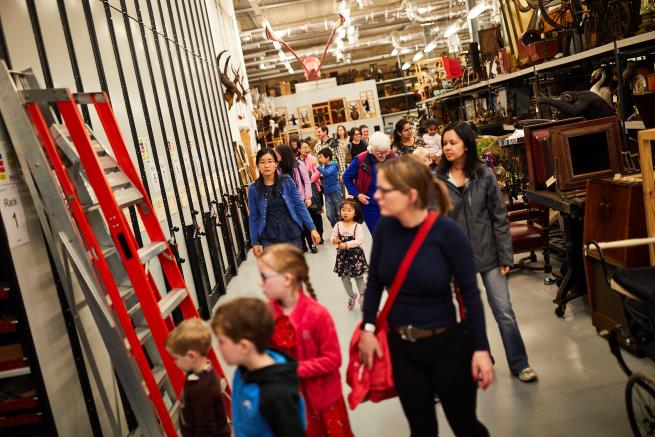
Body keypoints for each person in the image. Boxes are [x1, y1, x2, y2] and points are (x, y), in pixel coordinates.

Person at [357, 155, 493, 437]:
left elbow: (470, 294)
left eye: (383, 189)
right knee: (421, 429)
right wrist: (367, 328)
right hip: (402, 348)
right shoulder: (384, 230)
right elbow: (374, 284)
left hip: (447, 346)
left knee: (465, 425)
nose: (376, 195)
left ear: (410, 195)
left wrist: (481, 349)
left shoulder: (447, 234)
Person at [436, 121, 537, 383]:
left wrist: (506, 256)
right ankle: (484, 358)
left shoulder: (484, 175)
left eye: (453, 142)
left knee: (503, 310)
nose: (447, 147)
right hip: (457, 261)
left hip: (489, 254)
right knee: (469, 314)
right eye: (444, 143)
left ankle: (519, 362)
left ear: (467, 145)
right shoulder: (437, 181)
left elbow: (499, 218)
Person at [259, 244, 354, 437]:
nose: (260, 284)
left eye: (264, 277)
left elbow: (333, 359)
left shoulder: (317, 315)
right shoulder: (266, 316)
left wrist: (294, 370)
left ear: (286, 279)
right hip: (289, 402)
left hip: (323, 402)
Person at [211, 298, 305, 437]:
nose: (218, 348)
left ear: (244, 347)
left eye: (222, 342)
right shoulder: (242, 371)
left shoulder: (277, 395)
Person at [248, 148, 320, 257]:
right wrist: (254, 242)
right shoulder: (254, 189)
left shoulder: (287, 181)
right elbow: (253, 217)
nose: (266, 165)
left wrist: (312, 228)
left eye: (270, 161)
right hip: (269, 238)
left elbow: (300, 206)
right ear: (257, 165)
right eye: (262, 162)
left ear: (276, 164)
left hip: (292, 234)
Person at [165, 318, 230, 437]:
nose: (174, 362)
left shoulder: (202, 389)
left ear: (191, 356)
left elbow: (206, 429)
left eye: (176, 358)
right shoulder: (199, 374)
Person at [342, 131, 395, 232]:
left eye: (386, 152)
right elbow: (346, 177)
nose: (384, 156)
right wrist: (357, 194)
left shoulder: (392, 155)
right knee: (379, 236)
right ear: (372, 149)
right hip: (370, 206)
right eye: (380, 153)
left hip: (391, 203)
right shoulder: (361, 159)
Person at [278, 145, 317, 254]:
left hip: (301, 198)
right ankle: (302, 245)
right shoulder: (278, 168)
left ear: (283, 154)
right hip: (288, 201)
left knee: (306, 221)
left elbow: (307, 181)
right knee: (296, 222)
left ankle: (312, 244)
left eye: (278, 153)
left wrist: (308, 197)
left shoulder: (298, 164)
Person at [331, 199, 368, 310]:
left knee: (358, 277)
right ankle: (351, 295)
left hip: (355, 257)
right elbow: (332, 236)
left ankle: (363, 296)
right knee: (344, 278)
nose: (345, 213)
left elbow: (359, 240)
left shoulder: (357, 226)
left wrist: (346, 245)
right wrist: (334, 240)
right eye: (343, 210)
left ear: (355, 213)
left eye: (349, 210)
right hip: (342, 257)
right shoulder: (338, 225)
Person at [299, 141, 324, 244]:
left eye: (308, 147)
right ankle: (311, 238)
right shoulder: (296, 161)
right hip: (302, 192)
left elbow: (318, 171)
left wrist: (308, 181)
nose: (307, 149)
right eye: (304, 147)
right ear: (299, 149)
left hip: (314, 189)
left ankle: (320, 235)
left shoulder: (313, 158)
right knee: (307, 215)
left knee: (317, 214)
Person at [317, 147, 343, 227]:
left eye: (321, 157)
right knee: (329, 214)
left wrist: (317, 166)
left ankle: (342, 230)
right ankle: (336, 229)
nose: (319, 159)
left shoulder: (333, 166)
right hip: (327, 193)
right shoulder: (325, 166)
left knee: (339, 213)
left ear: (328, 157)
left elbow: (326, 173)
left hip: (336, 192)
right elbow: (324, 175)